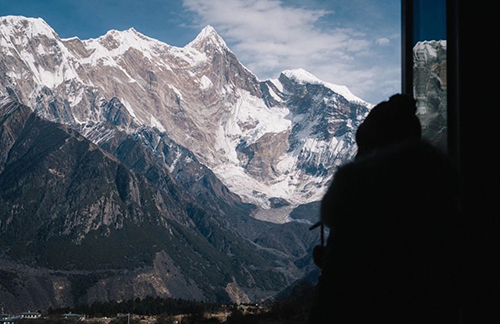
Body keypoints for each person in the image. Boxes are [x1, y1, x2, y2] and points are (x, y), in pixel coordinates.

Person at [309, 94, 459, 323]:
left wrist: (331, 261)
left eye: (362, 147)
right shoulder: (443, 195)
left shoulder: (359, 198)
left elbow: (336, 293)